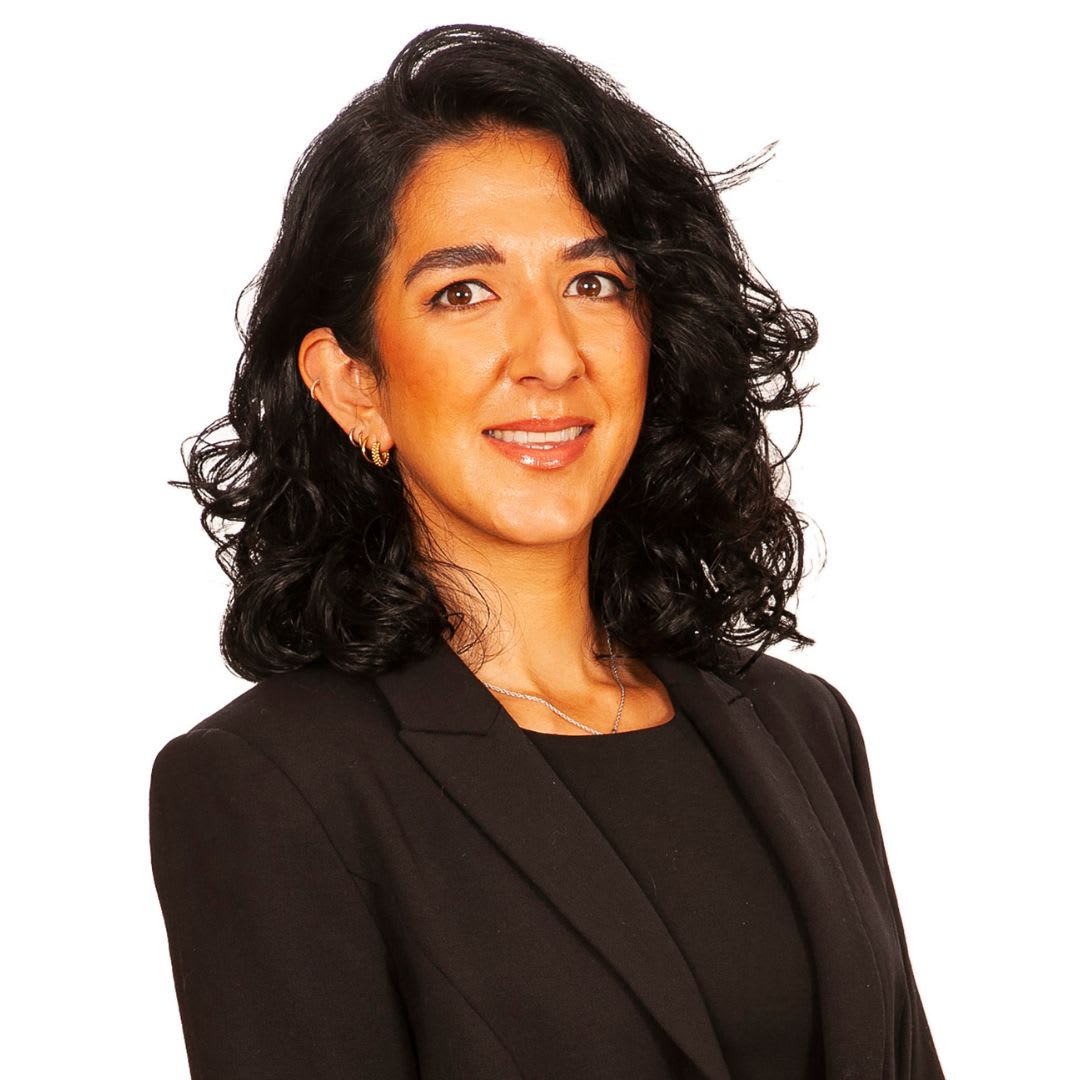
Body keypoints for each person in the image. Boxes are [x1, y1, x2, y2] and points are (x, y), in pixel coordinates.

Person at [149, 22, 946, 1080]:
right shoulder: (270, 784)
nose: (551, 357)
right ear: (354, 384)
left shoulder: (801, 726)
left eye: (594, 282)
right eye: (464, 292)